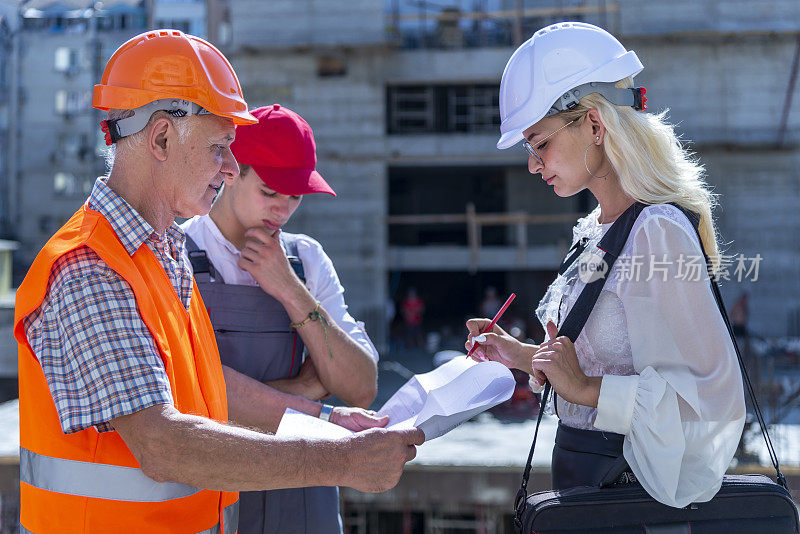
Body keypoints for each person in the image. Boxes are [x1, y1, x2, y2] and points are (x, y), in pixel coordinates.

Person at [14, 30, 424, 534]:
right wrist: (337, 462)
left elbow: (211, 396)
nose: (230, 168)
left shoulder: (161, 254)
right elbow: (164, 444)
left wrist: (327, 423)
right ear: (162, 138)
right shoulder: (88, 269)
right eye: (220, 147)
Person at [465, 22, 745, 508]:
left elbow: (714, 398)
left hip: (626, 499)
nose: (533, 165)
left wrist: (586, 388)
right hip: (589, 488)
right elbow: (595, 366)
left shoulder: (656, 232)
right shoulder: (598, 230)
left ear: (594, 124)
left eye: (539, 143)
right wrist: (520, 355)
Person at [180, 103, 379, 534]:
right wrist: (304, 390)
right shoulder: (173, 255)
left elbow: (361, 387)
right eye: (271, 192)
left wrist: (289, 288)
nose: (283, 211)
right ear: (232, 170)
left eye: (295, 196)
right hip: (211, 490)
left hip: (304, 494)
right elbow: (184, 398)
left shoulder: (306, 260)